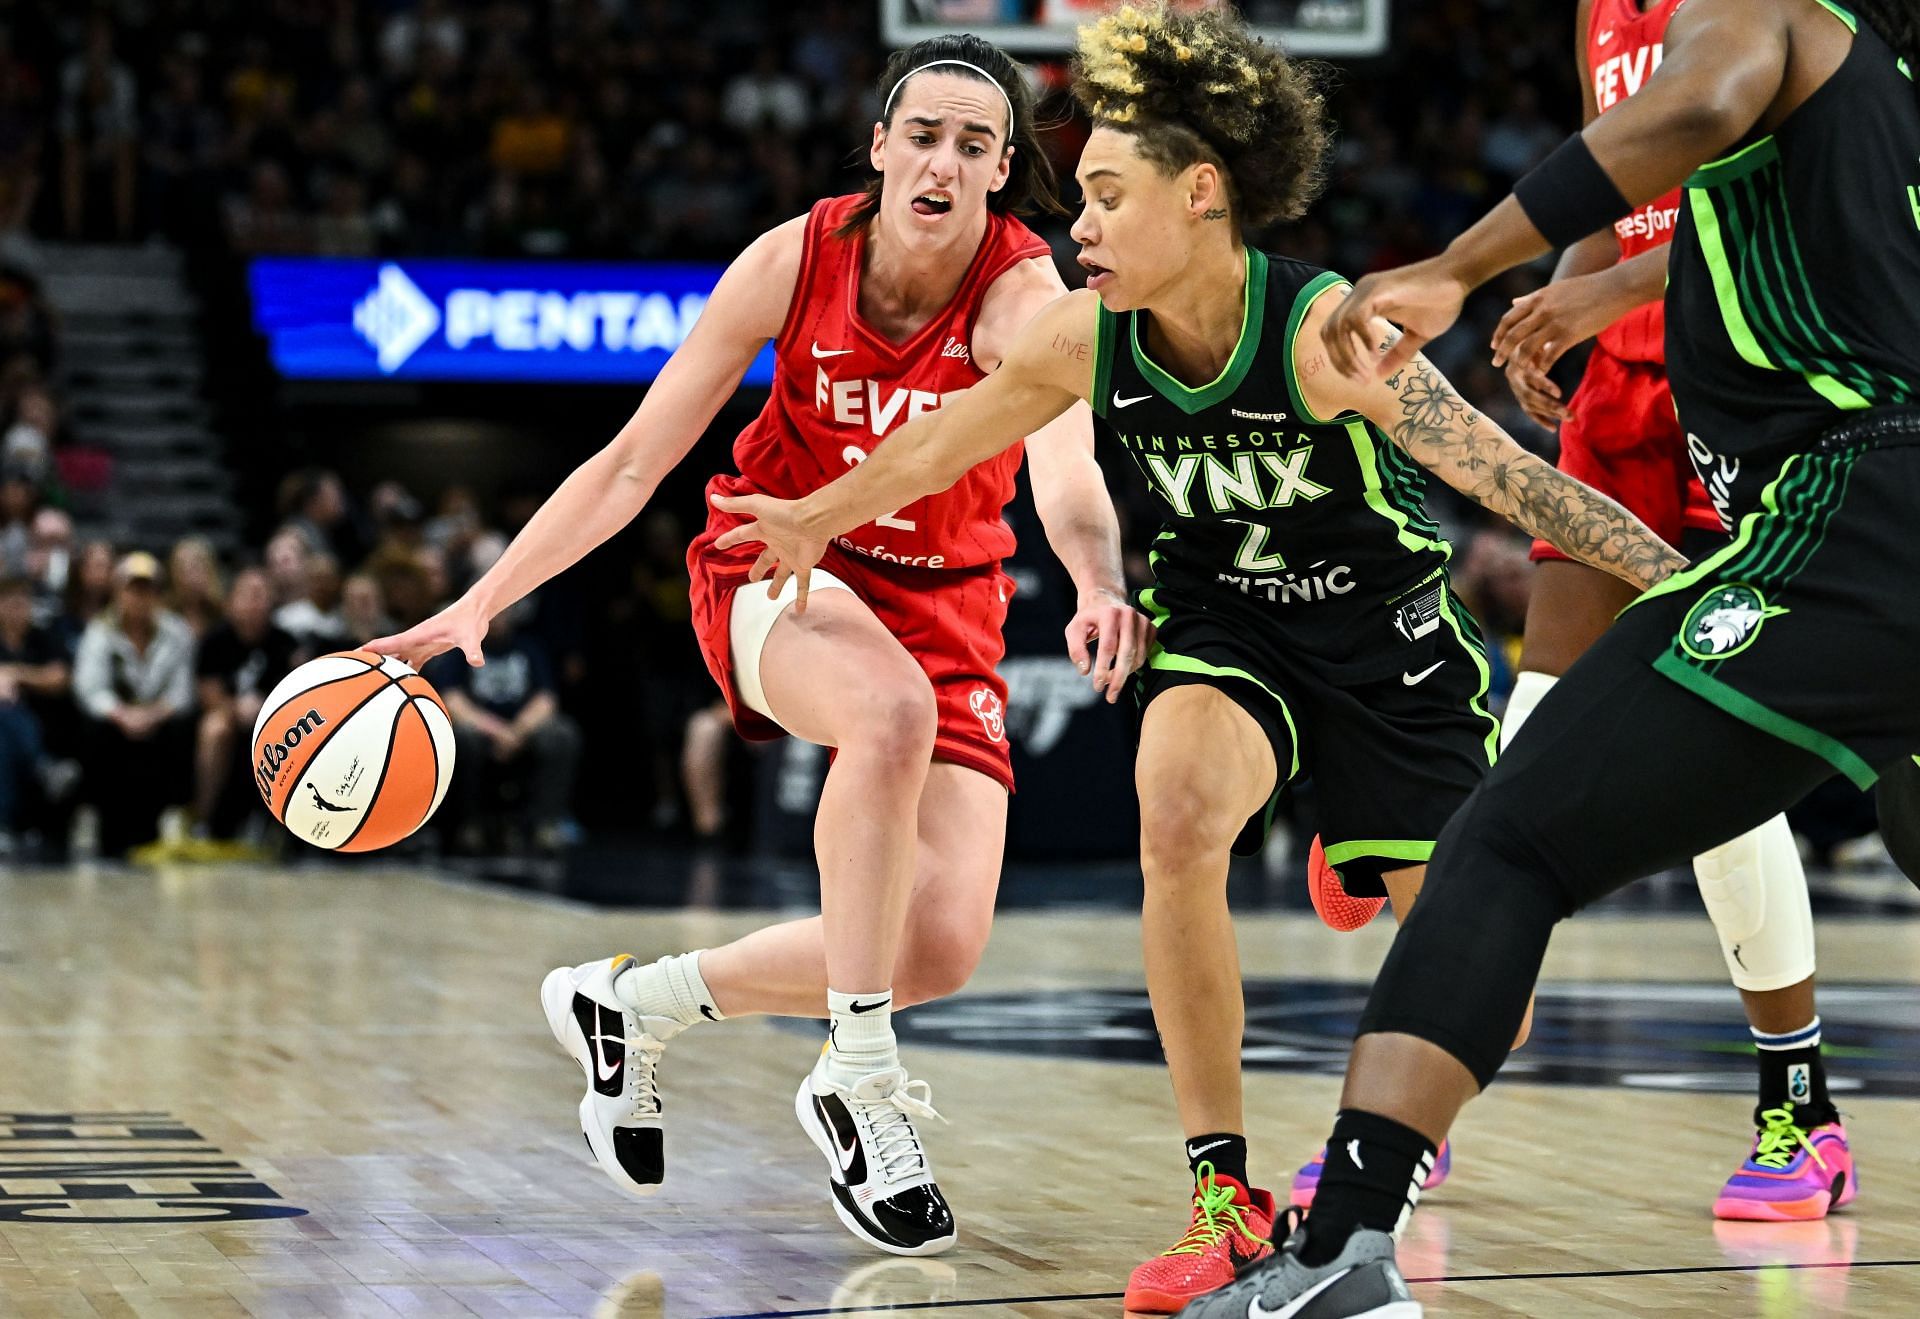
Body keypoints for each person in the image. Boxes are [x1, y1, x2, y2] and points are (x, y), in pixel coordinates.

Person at [706, 6, 1682, 1307]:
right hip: (1224, 623)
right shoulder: (1081, 335)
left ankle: (1356, 854)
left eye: (1107, 196)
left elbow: (1517, 482)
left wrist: (1693, 582)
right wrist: (813, 518)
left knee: (1491, 1009)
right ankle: (1222, 1192)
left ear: (1202, 195)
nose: (1079, 229)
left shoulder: (1322, 335)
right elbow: (943, 441)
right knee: (1173, 810)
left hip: (1385, 642)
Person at [1174, 1, 1920, 1313]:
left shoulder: (1761, 12)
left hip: (1855, 502)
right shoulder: (1871, 78)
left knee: (1509, 837)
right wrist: (1599, 285)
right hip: (1803, 481)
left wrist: (1461, 263)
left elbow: (1692, 109)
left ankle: (1348, 1240)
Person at [368, 35, 1152, 1256]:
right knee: (882, 719)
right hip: (784, 560)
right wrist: (485, 600)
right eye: (925, 135)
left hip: (951, 604)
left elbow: (1068, 469)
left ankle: (631, 1003)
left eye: (975, 145)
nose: (944, 161)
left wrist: (1098, 577)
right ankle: (857, 1072)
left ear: (1003, 172)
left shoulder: (1024, 298)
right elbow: (634, 460)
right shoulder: (797, 257)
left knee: (936, 943)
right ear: (882, 148)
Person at [1489, 0, 1847, 1223]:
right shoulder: (1600, 10)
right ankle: (1412, 1109)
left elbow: (1794, 200)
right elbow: (1612, 173)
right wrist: (1556, 301)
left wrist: (1605, 292)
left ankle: (1799, 1101)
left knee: (1713, 749)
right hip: (1624, 394)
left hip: (1748, 367)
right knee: (1521, 736)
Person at [425, 602, 580, 853]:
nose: (496, 619)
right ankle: (469, 824)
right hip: (480, 730)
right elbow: (452, 699)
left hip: (522, 730)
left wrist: (517, 732)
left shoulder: (529, 648)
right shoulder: (462, 649)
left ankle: (544, 824)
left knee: (562, 733)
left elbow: (546, 699)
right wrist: (497, 731)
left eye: (501, 613)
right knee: (460, 737)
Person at [72, 550, 195, 857]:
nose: (140, 597)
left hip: (160, 722)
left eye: (148, 589)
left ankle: (173, 817)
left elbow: (182, 693)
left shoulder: (177, 632)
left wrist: (152, 714)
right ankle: (99, 821)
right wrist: (123, 714)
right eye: (133, 588)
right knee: (94, 729)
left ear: (158, 594)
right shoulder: (99, 631)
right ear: (119, 592)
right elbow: (89, 689)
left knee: (183, 726)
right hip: (117, 724)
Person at [192, 566, 298, 839]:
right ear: (231, 601)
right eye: (248, 595)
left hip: (276, 722)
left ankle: (284, 824)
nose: (255, 603)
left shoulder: (285, 643)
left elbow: (298, 694)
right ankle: (204, 818)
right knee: (214, 728)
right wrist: (235, 707)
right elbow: (208, 694)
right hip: (229, 716)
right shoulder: (214, 641)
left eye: (262, 595)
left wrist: (263, 711)